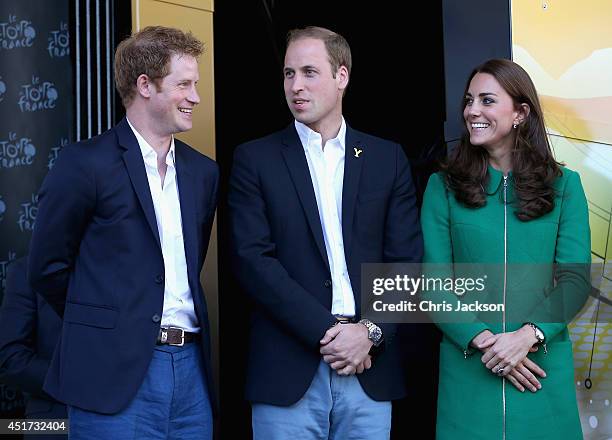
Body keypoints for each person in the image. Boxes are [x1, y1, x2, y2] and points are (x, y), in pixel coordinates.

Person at [229, 26, 423, 439]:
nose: (295, 86)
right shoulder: (254, 159)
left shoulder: (386, 159)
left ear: (342, 76)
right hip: (287, 369)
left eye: (309, 72)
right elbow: (251, 261)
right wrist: (332, 334)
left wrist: (368, 332)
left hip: (369, 366)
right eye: (288, 74)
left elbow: (406, 261)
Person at [27, 26, 219, 439]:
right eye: (184, 84)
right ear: (145, 85)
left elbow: (189, 261)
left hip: (191, 372)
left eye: (196, 85)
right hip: (111, 371)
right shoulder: (84, 163)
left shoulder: (204, 173)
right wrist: (106, 323)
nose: (196, 97)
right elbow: (47, 268)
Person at [421, 58, 590, 439]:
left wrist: (526, 337)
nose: (471, 111)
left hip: (541, 374)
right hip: (468, 378)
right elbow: (433, 284)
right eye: (468, 101)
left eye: (486, 100)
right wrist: (489, 344)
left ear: (520, 113)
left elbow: (575, 281)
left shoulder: (566, 187)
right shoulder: (442, 188)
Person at [0, 257, 66, 439]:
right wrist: (73, 384)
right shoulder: (25, 270)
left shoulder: (129, 270)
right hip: (53, 423)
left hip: (130, 419)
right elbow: (9, 358)